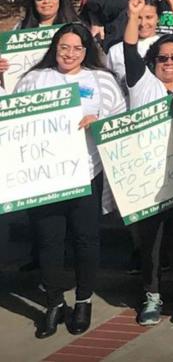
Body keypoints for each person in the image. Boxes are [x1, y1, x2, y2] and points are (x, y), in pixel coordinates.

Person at [15, 22, 126, 338]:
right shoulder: (35, 79)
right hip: (46, 177)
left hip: (86, 174)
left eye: (78, 48)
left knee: (85, 239)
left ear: (87, 50)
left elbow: (120, 121)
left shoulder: (101, 80)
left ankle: (83, 301)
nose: (70, 53)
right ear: (55, 48)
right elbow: (12, 119)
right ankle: (53, 303)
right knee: (49, 240)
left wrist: (100, 122)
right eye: (64, 47)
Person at [118, 0, 173, 327]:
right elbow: (129, 49)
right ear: (152, 61)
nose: (168, 62)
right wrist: (132, 15)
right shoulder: (141, 83)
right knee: (150, 242)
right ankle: (151, 295)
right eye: (162, 58)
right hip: (149, 178)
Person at [0, 0, 79, 86]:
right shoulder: (20, 28)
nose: (46, 1)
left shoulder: (76, 28)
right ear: (34, 0)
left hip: (67, 92)